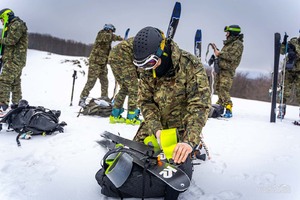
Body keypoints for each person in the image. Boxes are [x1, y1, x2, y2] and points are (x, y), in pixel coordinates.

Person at [132, 26, 211, 199]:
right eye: (142, 66)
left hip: (182, 126)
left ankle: (194, 146)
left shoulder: (191, 66)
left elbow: (199, 106)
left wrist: (189, 141)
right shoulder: (147, 71)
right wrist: (157, 129)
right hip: (157, 125)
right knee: (136, 157)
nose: (147, 69)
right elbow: (145, 102)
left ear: (163, 51)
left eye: (150, 63)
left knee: (178, 162)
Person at [78, 24, 123, 107]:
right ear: (109, 30)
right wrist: (121, 39)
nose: (112, 33)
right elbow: (109, 37)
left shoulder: (108, 39)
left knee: (105, 81)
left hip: (103, 63)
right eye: (112, 31)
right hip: (95, 62)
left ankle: (104, 98)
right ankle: (82, 99)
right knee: (91, 81)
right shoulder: (101, 34)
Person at [212, 25, 244, 118]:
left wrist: (220, 53)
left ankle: (229, 108)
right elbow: (225, 55)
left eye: (227, 33)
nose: (226, 35)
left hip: (228, 71)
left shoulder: (238, 44)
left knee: (223, 88)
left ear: (232, 33)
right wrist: (217, 52)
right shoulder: (229, 44)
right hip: (221, 69)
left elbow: (232, 56)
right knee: (218, 88)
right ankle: (220, 105)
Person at [108, 37, 142, 125]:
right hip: (123, 57)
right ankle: (132, 117)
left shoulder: (141, 39)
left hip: (113, 56)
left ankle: (115, 115)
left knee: (124, 88)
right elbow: (140, 62)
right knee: (134, 88)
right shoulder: (147, 45)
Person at [0, 8, 28, 114]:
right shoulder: (11, 26)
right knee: (15, 83)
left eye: (2, 19)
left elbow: (12, 41)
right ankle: (17, 106)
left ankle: (2, 105)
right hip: (12, 59)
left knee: (4, 80)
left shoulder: (17, 24)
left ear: (6, 16)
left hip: (15, 60)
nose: (2, 22)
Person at [277, 32, 300, 120]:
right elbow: (282, 51)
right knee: (284, 92)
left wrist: (296, 53)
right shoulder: (293, 42)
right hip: (289, 70)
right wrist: (284, 44)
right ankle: (281, 111)